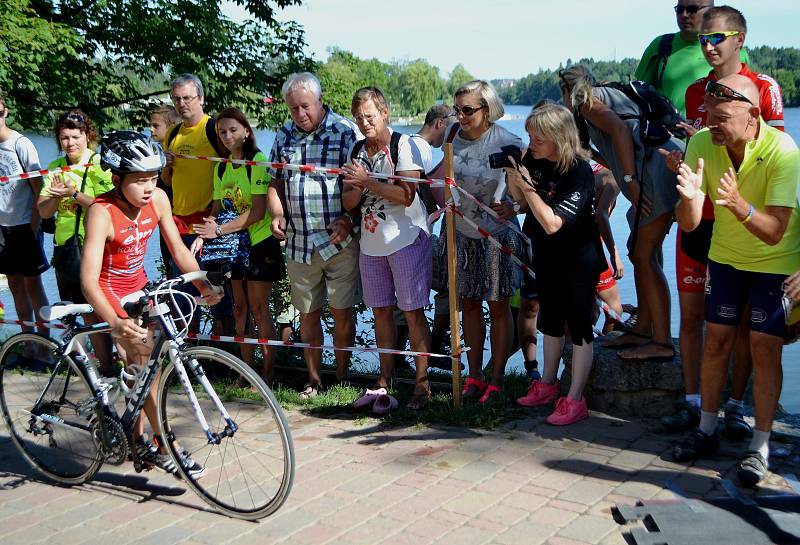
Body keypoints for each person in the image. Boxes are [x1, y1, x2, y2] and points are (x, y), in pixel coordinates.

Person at [671, 74, 800, 487]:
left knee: (765, 347)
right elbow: (689, 224)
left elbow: (776, 230)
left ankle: (759, 446)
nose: (712, 122)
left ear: (753, 116)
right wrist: (690, 198)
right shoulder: (702, 142)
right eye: (708, 113)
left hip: (776, 261)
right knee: (717, 340)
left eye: (722, 116)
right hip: (725, 259)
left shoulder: (783, 150)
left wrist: (741, 207)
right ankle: (707, 429)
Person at [661, 5, 785, 435]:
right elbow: (701, 147)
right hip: (699, 215)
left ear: (740, 39)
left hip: (743, 221)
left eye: (718, 38)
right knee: (695, 316)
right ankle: (695, 402)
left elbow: (776, 155)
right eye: (702, 39)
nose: (708, 46)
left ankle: (735, 405)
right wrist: (682, 165)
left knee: (748, 323)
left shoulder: (763, 88)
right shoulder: (697, 91)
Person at [82, 130, 221, 475]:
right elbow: (88, 280)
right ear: (116, 179)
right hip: (110, 294)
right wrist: (115, 323)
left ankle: (136, 439)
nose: (148, 186)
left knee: (145, 370)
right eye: (139, 180)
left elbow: (177, 250)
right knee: (147, 367)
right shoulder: (102, 212)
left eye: (153, 177)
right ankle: (168, 445)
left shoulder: (158, 199)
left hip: (140, 288)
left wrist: (203, 284)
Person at [559, 65, 683, 362]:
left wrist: (630, 181)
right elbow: (609, 143)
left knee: (643, 256)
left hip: (654, 172)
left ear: (567, 89)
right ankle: (643, 327)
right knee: (643, 252)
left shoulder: (586, 100)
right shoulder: (605, 95)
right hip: (657, 165)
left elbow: (619, 131)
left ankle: (662, 340)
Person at [510, 103, 606, 425]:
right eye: (529, 137)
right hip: (546, 256)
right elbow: (523, 203)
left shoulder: (579, 171)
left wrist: (525, 186)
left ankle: (576, 398)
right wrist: (515, 179)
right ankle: (548, 385)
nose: (531, 144)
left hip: (579, 261)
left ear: (559, 138)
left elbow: (552, 222)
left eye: (538, 139)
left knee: (578, 328)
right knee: (549, 322)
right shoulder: (535, 161)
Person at [267, 72, 360, 398]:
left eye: (305, 106)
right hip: (299, 242)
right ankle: (313, 378)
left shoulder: (345, 131)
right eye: (293, 108)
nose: (300, 114)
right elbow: (275, 182)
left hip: (339, 242)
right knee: (307, 314)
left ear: (320, 101)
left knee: (342, 313)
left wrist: (349, 219)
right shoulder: (283, 136)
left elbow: (360, 185)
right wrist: (277, 213)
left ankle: (343, 376)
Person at [341, 87, 432, 409]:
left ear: (384, 113)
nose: (365, 123)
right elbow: (349, 202)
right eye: (359, 118)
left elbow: (407, 194)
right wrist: (355, 187)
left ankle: (422, 384)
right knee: (380, 311)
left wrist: (366, 182)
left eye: (370, 116)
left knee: (412, 311)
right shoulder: (356, 150)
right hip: (371, 243)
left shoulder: (403, 145)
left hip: (406, 238)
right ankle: (385, 378)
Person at [444, 80, 527, 404]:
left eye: (468, 110)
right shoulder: (452, 135)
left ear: (487, 109)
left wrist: (515, 206)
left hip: (497, 235)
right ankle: (474, 376)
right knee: (468, 304)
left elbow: (528, 186)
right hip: (462, 232)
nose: (461, 116)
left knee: (499, 306)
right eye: (457, 109)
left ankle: (496, 380)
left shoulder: (508, 141)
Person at [191, 107, 285, 382]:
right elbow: (217, 207)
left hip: (259, 243)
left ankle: (267, 373)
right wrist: (203, 233)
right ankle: (247, 371)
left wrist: (217, 229)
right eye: (222, 132)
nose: (228, 136)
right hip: (233, 247)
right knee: (239, 309)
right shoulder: (221, 167)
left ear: (246, 131)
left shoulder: (257, 161)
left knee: (258, 308)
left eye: (233, 130)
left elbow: (256, 212)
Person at [38, 109, 114, 375]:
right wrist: (57, 197)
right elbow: (44, 211)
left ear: (87, 135)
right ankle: (83, 366)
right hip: (65, 248)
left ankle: (107, 366)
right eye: (64, 138)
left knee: (95, 311)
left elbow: (106, 207)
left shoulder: (97, 163)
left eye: (75, 136)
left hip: (91, 246)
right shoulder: (56, 167)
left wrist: (73, 193)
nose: (70, 143)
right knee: (72, 312)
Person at [634, 0, 747, 116]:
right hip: (669, 132)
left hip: (715, 131)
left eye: (692, 9)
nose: (684, 15)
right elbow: (640, 93)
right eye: (679, 9)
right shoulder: (660, 45)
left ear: (711, 10)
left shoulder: (736, 52)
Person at [0, 91, 49, 335]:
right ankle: (26, 339)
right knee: (14, 284)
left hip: (25, 224)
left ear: (5, 112)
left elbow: (39, 189)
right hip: (2, 228)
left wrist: (34, 224)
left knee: (33, 284)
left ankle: (44, 344)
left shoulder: (20, 144)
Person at [148, 105, 179, 273]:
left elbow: (170, 186)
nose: (150, 129)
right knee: (169, 267)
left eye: (156, 125)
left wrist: (166, 166)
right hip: (163, 219)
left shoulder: (176, 152)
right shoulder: (157, 152)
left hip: (177, 219)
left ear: (171, 126)